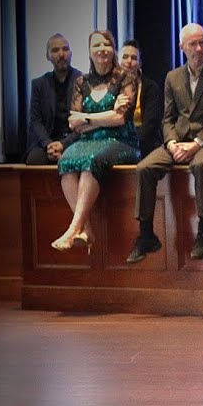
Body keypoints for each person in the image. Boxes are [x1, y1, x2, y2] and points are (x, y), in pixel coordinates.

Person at [127, 23, 203, 262]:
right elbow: (167, 119)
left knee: (200, 165)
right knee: (145, 167)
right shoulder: (172, 77)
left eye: (202, 43)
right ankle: (146, 236)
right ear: (182, 47)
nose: (199, 48)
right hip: (179, 140)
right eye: (193, 44)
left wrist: (197, 143)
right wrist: (173, 142)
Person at [50, 30, 140, 251]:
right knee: (66, 162)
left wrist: (87, 118)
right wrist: (104, 117)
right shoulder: (82, 81)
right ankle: (86, 230)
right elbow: (73, 122)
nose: (102, 49)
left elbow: (120, 119)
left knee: (91, 160)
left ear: (113, 50)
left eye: (107, 44)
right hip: (86, 141)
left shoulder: (126, 78)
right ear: (89, 52)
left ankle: (73, 229)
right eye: (96, 45)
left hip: (121, 141)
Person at [24, 33, 83, 165]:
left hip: (74, 140)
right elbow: (35, 121)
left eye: (65, 49)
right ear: (48, 56)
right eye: (55, 50)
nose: (61, 54)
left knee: (73, 156)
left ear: (71, 53)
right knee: (34, 159)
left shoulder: (82, 81)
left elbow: (84, 122)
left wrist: (63, 144)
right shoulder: (38, 84)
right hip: (48, 141)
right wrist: (49, 145)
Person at [117, 39, 165, 159]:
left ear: (140, 63)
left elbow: (150, 124)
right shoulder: (111, 86)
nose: (129, 61)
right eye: (125, 57)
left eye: (134, 58)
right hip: (116, 141)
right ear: (118, 61)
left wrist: (131, 142)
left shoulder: (150, 87)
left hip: (145, 143)